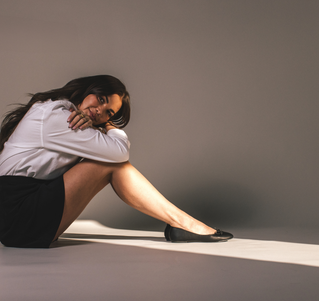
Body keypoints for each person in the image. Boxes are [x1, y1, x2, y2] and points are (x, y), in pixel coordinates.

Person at [0, 75, 233, 248]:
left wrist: (101, 126)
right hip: (17, 213)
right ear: (87, 89)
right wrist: (110, 126)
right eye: (100, 99)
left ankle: (181, 223)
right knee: (112, 164)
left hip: (21, 212)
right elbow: (119, 153)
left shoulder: (64, 113)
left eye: (108, 113)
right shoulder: (57, 116)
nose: (98, 111)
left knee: (111, 162)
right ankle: (183, 223)